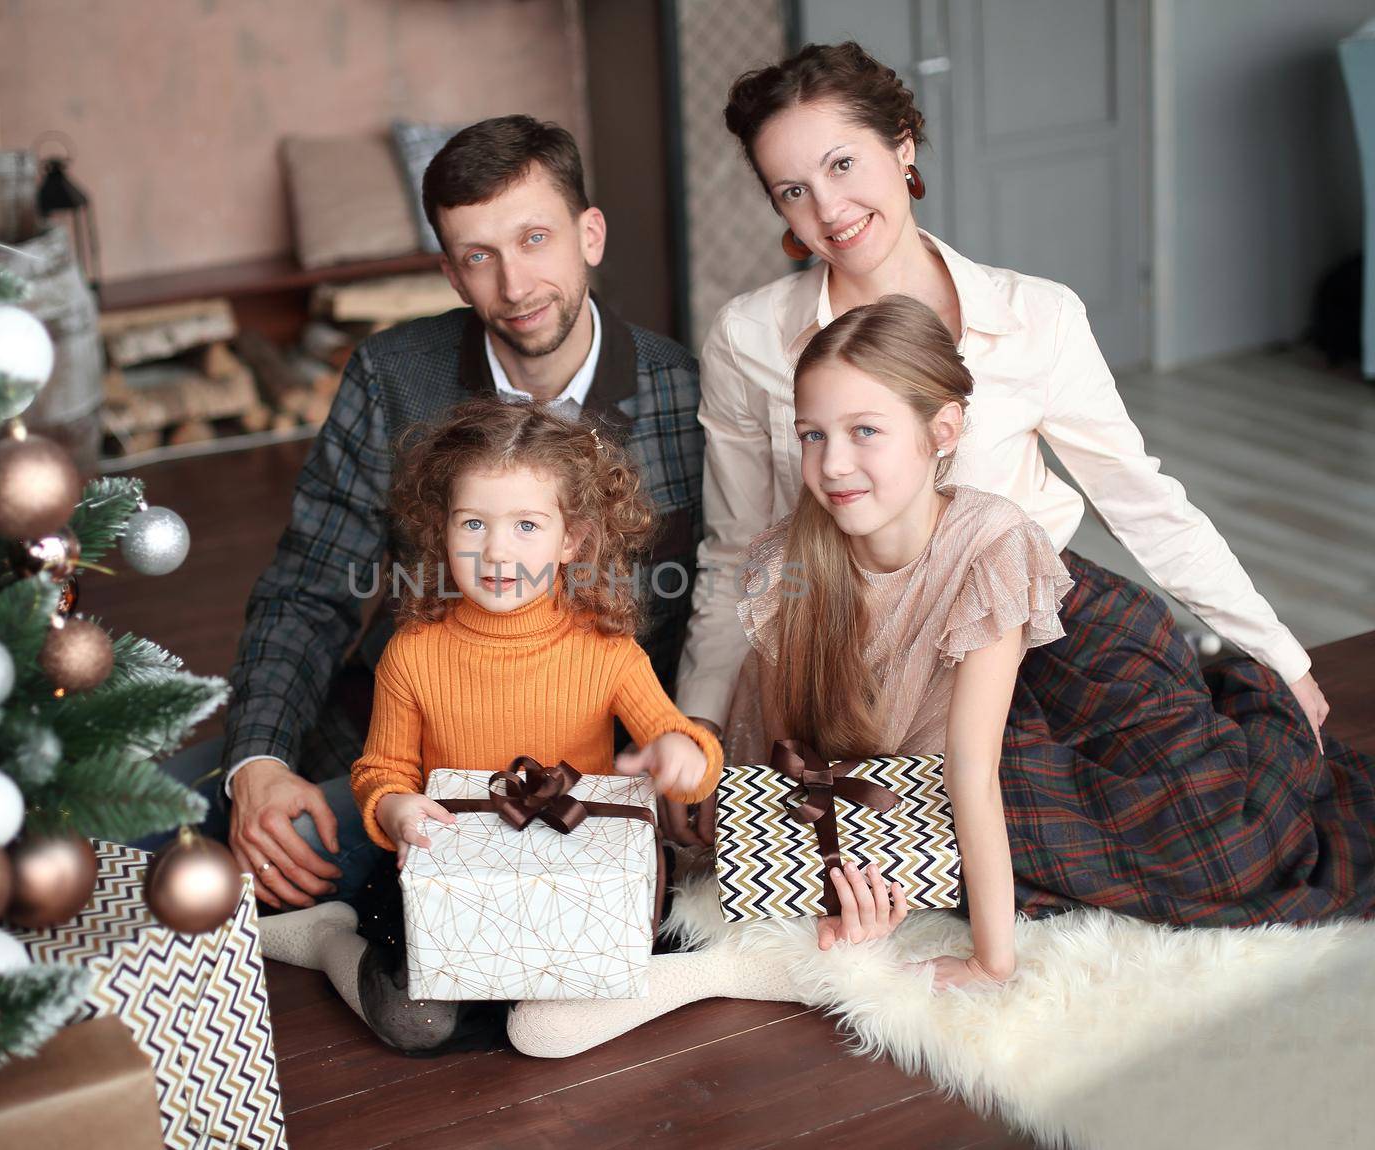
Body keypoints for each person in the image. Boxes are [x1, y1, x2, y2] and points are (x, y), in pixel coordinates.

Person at [506, 297, 1375, 1059]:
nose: (834, 463)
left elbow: (970, 766)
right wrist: (740, 807)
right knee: (1027, 840)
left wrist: (991, 963)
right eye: (813, 435)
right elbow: (791, 750)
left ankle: (1242, 695)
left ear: (943, 433)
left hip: (1066, 665)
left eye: (864, 432)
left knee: (1231, 849)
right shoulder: (791, 564)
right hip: (943, 739)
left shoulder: (992, 542)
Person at [666, 41, 1330, 847]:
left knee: (1210, 825)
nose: (828, 211)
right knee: (945, 849)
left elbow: (1143, 502)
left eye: (844, 165)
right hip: (856, 659)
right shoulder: (752, 337)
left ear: (902, 145)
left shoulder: (1037, 317)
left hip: (1028, 639)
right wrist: (696, 728)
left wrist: (1281, 655)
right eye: (794, 191)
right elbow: (737, 547)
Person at [220, 116, 705, 909]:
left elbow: (720, 606)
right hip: (413, 753)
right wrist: (260, 762)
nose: (514, 287)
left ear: (590, 234)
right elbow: (309, 589)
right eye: (479, 257)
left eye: (535, 239)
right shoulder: (392, 378)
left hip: (598, 784)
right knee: (213, 834)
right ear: (451, 273)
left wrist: (683, 749)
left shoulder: (682, 390)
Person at [259, 400, 722, 1054]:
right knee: (413, 1025)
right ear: (440, 529)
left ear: (573, 539)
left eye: (527, 525)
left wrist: (679, 754)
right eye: (473, 523)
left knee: (563, 1009)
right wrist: (392, 809)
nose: (498, 550)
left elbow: (688, 751)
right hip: (456, 880)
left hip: (572, 878)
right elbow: (382, 770)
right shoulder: (414, 652)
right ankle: (329, 937)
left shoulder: (609, 653)